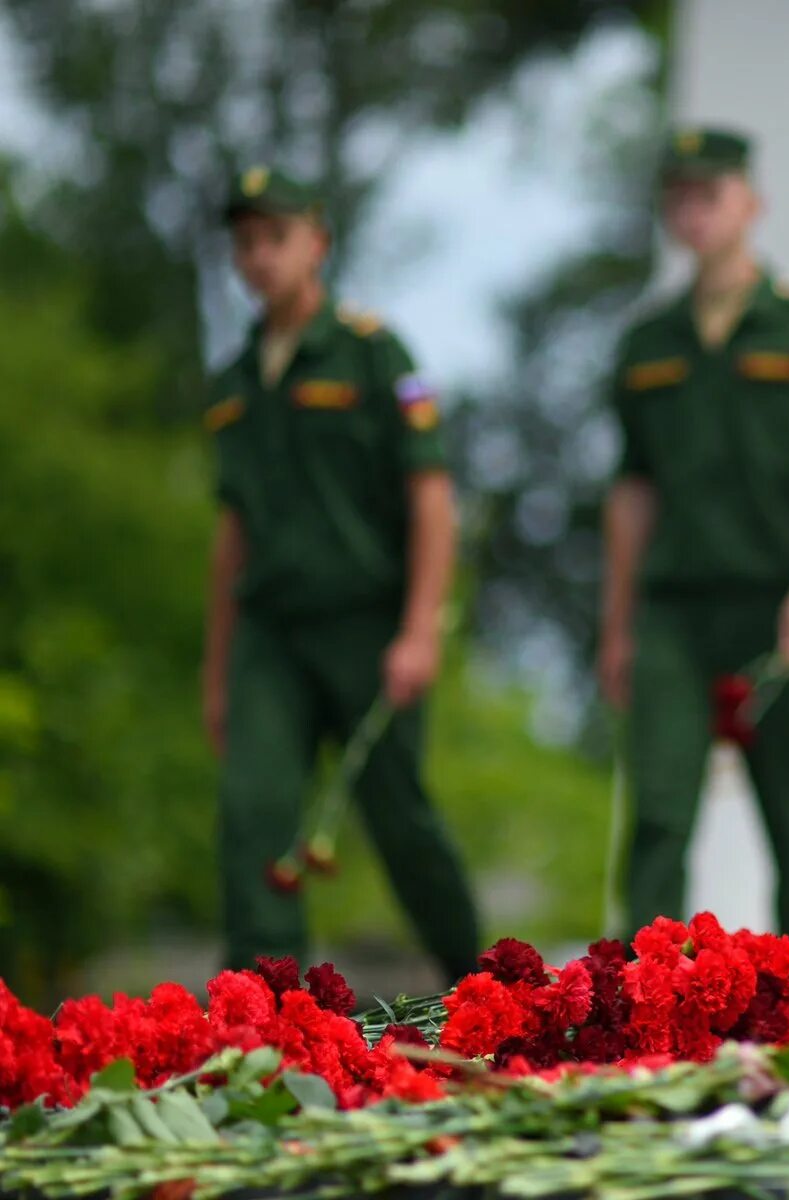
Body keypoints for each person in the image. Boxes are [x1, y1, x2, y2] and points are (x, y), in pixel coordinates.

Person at [202, 166, 479, 980]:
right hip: (269, 634)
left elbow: (431, 498)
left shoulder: (370, 352)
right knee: (254, 816)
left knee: (402, 820)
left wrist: (421, 628)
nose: (259, 257)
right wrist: (217, 671)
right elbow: (233, 534)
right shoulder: (233, 382)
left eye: (275, 238)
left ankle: (493, 992)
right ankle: (267, 1027)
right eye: (244, 243)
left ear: (316, 243)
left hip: (369, 625)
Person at [599, 128, 789, 956]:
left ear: (751, 204)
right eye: (679, 195)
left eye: (710, 194)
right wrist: (616, 625)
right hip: (673, 610)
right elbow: (632, 492)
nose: (694, 212)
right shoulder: (647, 342)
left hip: (774, 605)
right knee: (658, 815)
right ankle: (642, 1004)